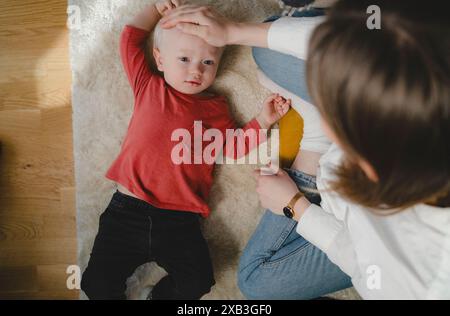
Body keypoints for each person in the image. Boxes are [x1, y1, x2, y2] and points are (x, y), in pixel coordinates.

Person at [161, 0, 450, 299]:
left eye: (336, 112)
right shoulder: (421, 93)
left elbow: (356, 257)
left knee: (255, 282)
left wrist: (296, 204)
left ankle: (314, 146)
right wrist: (235, 30)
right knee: (267, 45)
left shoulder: (404, 280)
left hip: (376, 241)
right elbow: (357, 44)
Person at [80, 0, 290, 300]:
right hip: (127, 212)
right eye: (184, 59)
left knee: (198, 283)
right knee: (95, 285)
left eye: (208, 62)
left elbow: (231, 147)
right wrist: (156, 8)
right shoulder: (148, 86)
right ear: (160, 59)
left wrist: (263, 120)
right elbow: (130, 38)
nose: (196, 70)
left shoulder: (215, 108)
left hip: (180, 221)